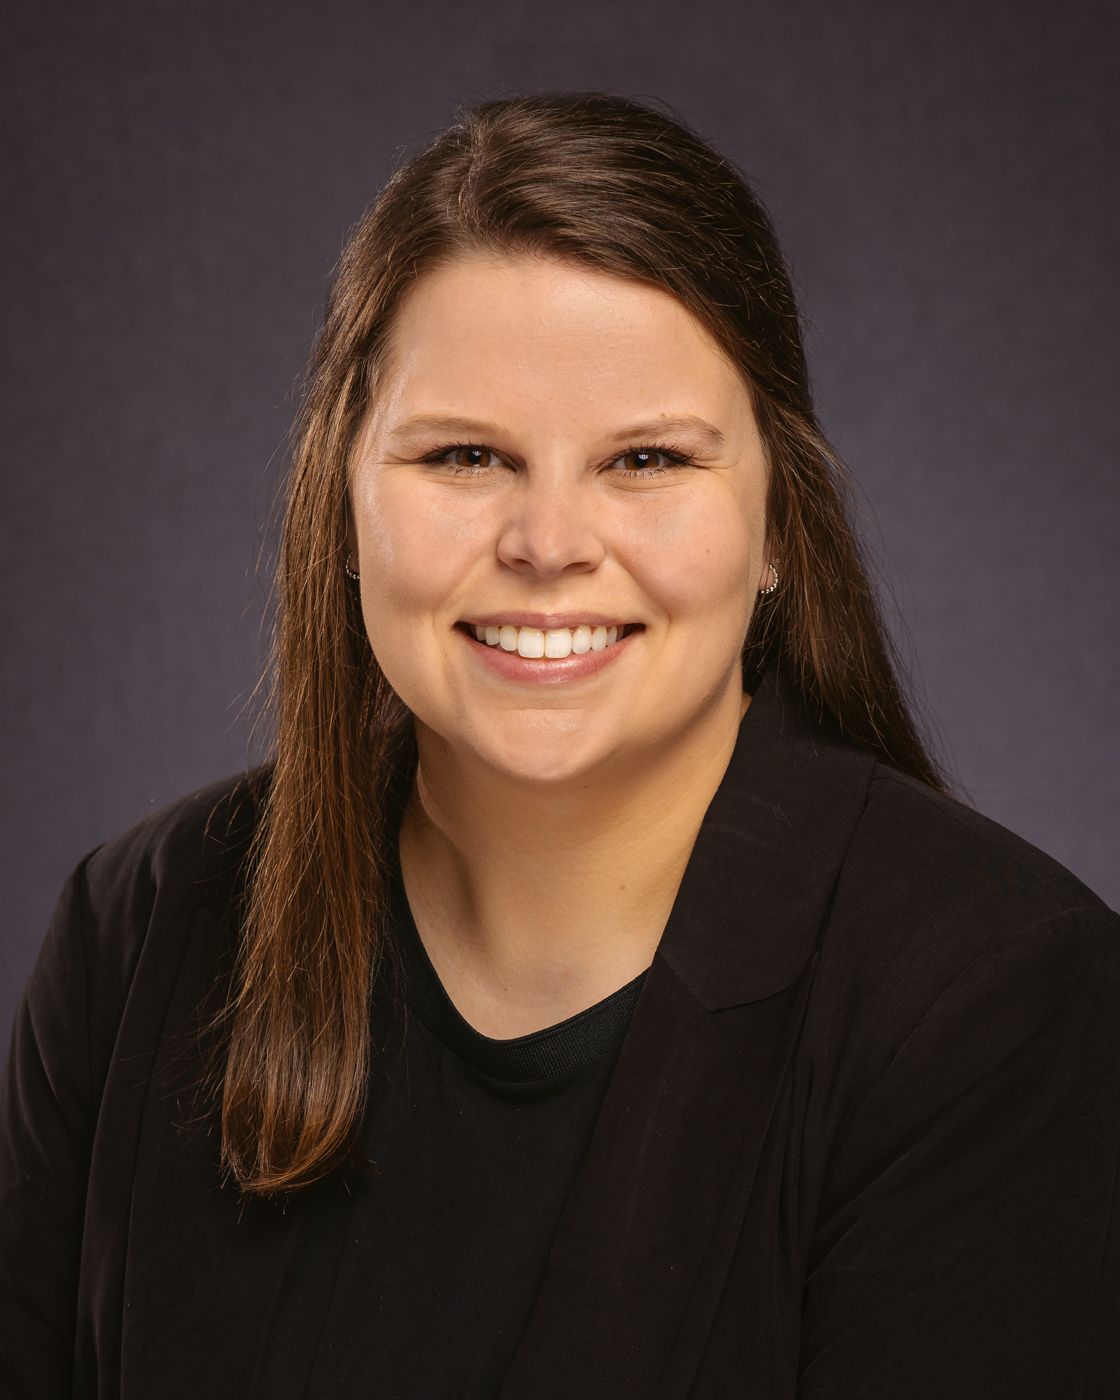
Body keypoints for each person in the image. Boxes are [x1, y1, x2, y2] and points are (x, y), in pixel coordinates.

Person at [1, 90, 1117, 1399]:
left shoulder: (992, 1003)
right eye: (466, 454)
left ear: (775, 531)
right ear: (340, 496)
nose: (546, 544)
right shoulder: (140, 930)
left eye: (645, 460)